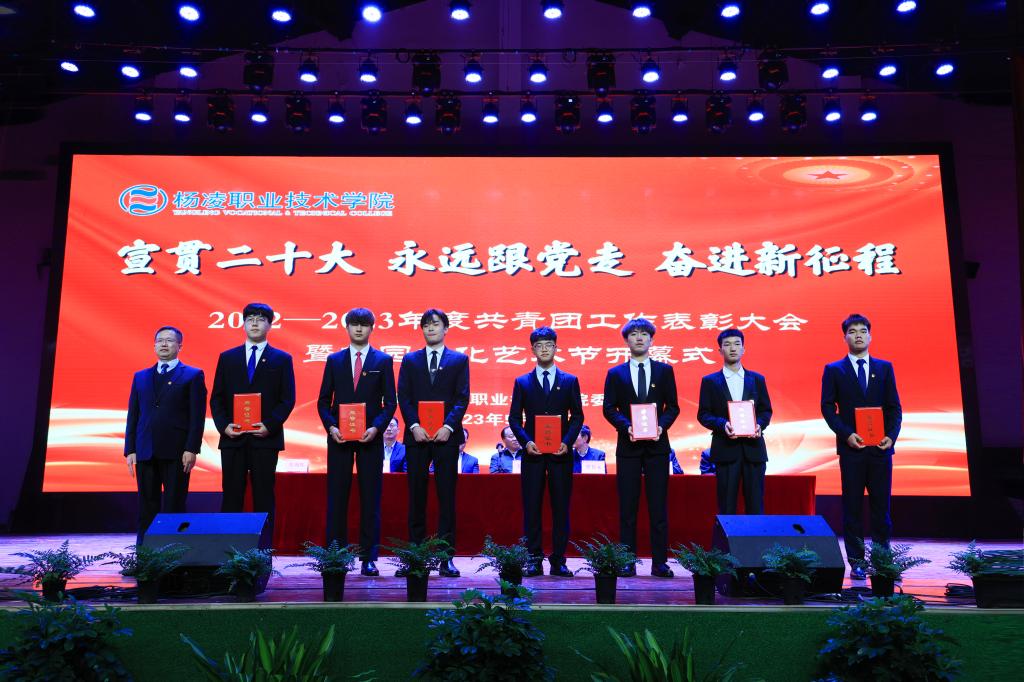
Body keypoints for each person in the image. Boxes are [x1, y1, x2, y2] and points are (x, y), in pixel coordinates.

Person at [821, 313, 902, 580]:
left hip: (880, 450)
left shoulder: (885, 368)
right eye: (852, 331)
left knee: (881, 509)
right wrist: (846, 435)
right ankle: (856, 562)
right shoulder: (834, 370)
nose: (858, 335)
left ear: (870, 336)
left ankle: (882, 560)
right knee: (852, 508)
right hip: (852, 450)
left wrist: (891, 436)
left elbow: (894, 408)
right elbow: (827, 408)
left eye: (863, 331)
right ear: (844, 337)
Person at [316, 308, 397, 577]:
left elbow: (390, 403)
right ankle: (335, 556)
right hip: (339, 438)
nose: (359, 329)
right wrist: (331, 427)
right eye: (354, 324)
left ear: (372, 328)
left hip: (369, 438)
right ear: (347, 327)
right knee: (337, 497)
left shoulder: (383, 360)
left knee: (370, 498)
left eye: (364, 324)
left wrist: (376, 428)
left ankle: (368, 558)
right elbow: (323, 401)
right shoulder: (334, 360)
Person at [602, 318, 680, 578]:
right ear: (626, 340)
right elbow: (609, 408)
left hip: (657, 447)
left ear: (651, 340)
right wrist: (627, 427)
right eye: (634, 334)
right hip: (629, 447)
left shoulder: (664, 371)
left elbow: (673, 407)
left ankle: (660, 563)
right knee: (628, 508)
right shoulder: (616, 373)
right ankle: (627, 561)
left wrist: (661, 427)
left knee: (658, 508)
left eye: (644, 334)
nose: (639, 338)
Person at [210, 303, 295, 538]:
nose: (255, 323)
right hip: (233, 438)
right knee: (231, 495)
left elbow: (287, 399)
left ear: (270, 325)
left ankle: (263, 550)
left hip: (265, 439)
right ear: (243, 324)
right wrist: (224, 426)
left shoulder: (281, 359)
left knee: (264, 496)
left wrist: (270, 425)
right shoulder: (228, 358)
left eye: (260, 319)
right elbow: (217, 398)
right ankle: (228, 549)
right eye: (250, 319)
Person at [397, 309, 470, 578]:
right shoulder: (410, 360)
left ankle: (445, 559)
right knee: (416, 497)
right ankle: (416, 558)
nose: (431, 328)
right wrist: (414, 425)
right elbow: (403, 396)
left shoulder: (459, 360)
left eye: (436, 324)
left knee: (446, 499)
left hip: (446, 438)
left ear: (446, 328)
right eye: (426, 325)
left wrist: (448, 427)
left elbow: (462, 397)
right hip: (416, 438)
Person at [508, 327, 584, 577]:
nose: (544, 349)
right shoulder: (522, 382)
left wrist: (567, 442)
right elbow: (514, 418)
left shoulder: (569, 380)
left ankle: (559, 560)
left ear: (556, 348)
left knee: (561, 509)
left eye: (549, 344)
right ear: (532, 350)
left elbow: (577, 416)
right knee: (532, 508)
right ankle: (533, 559)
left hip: (561, 455)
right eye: (539, 345)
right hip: (533, 455)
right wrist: (526, 442)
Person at [124, 326, 206, 545]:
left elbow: (197, 416)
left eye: (169, 340)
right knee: (146, 506)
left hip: (177, 451)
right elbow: (133, 415)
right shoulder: (140, 377)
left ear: (180, 346)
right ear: (154, 345)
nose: (164, 344)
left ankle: (173, 554)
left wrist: (192, 448)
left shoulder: (192, 375)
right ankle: (144, 555)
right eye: (160, 340)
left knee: (174, 505)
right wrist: (130, 449)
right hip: (145, 450)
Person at [697, 328, 773, 514]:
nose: (733, 348)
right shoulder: (710, 381)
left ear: (743, 349)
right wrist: (723, 425)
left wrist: (759, 425)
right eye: (727, 344)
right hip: (725, 450)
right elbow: (703, 414)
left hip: (753, 450)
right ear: (720, 350)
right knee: (726, 506)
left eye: (737, 344)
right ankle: (725, 536)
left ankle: (756, 535)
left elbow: (766, 410)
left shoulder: (757, 379)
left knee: (755, 506)